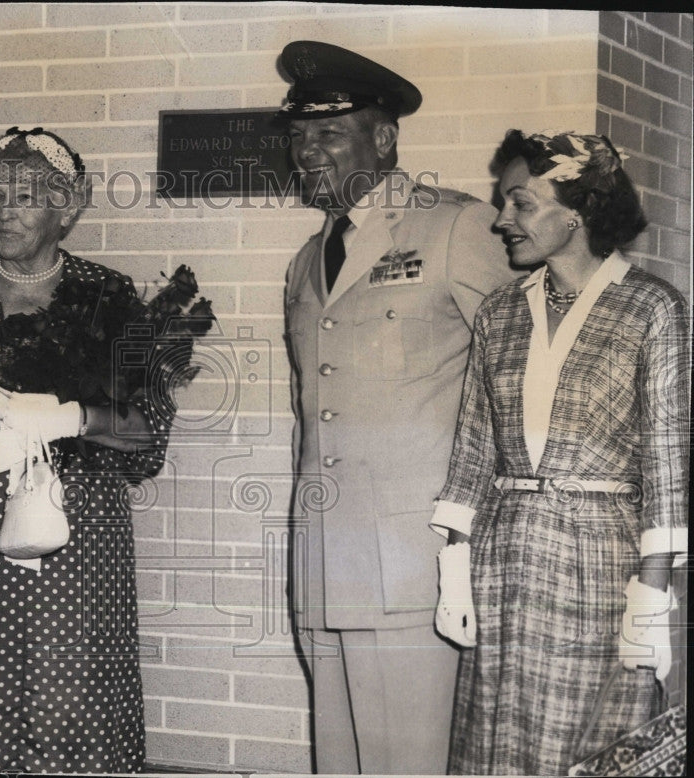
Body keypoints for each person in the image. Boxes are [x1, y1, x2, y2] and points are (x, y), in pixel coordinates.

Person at [278, 41, 520, 774]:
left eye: (329, 133)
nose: (307, 151)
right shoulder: (304, 258)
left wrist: (485, 544)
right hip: (324, 559)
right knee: (341, 762)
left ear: (383, 139)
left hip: (416, 561)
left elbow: (515, 385)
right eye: (298, 136)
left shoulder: (457, 228)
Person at [0, 127, 169, 773]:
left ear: (69, 207)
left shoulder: (108, 299)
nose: (5, 211)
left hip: (82, 535)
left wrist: (75, 417)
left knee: (73, 691)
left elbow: (148, 430)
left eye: (26, 195)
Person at [432, 129, 689, 775]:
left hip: (602, 565)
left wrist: (652, 596)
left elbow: (667, 459)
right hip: (505, 559)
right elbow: (474, 444)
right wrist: (455, 564)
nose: (501, 221)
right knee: (497, 744)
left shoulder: (652, 308)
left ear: (579, 212)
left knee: (587, 748)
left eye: (520, 203)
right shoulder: (499, 313)